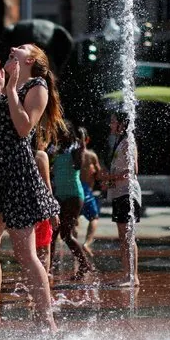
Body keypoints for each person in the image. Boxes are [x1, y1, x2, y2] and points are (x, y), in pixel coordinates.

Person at [0, 44, 63, 331]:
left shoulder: (38, 87)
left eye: (20, 49)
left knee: (26, 253)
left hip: (17, 174)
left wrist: (10, 90)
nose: (12, 49)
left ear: (31, 60)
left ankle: (46, 319)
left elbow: (24, 129)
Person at [99, 111, 142, 287]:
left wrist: (111, 178)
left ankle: (133, 277)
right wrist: (108, 183)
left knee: (128, 236)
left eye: (113, 122)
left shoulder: (128, 143)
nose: (111, 125)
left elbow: (133, 170)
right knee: (122, 236)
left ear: (122, 125)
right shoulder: (119, 143)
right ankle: (127, 275)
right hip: (119, 193)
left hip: (128, 194)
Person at [50, 120, 94, 280]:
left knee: (66, 235)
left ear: (68, 133)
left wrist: (81, 146)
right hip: (59, 195)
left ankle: (84, 264)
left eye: (61, 132)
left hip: (73, 195)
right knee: (52, 234)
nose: (58, 135)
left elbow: (77, 166)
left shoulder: (75, 149)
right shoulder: (56, 149)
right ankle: (49, 268)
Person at [34, 136, 58, 276]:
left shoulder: (18, 153)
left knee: (28, 252)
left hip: (23, 208)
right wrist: (52, 211)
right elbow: (47, 186)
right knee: (44, 250)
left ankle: (30, 290)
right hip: (40, 207)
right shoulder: (40, 155)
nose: (48, 143)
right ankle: (42, 288)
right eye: (46, 139)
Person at [78, 127, 101, 256]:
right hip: (86, 189)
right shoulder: (91, 155)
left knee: (73, 220)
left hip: (74, 189)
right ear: (87, 140)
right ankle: (87, 243)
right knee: (94, 217)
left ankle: (75, 250)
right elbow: (98, 173)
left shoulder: (73, 154)